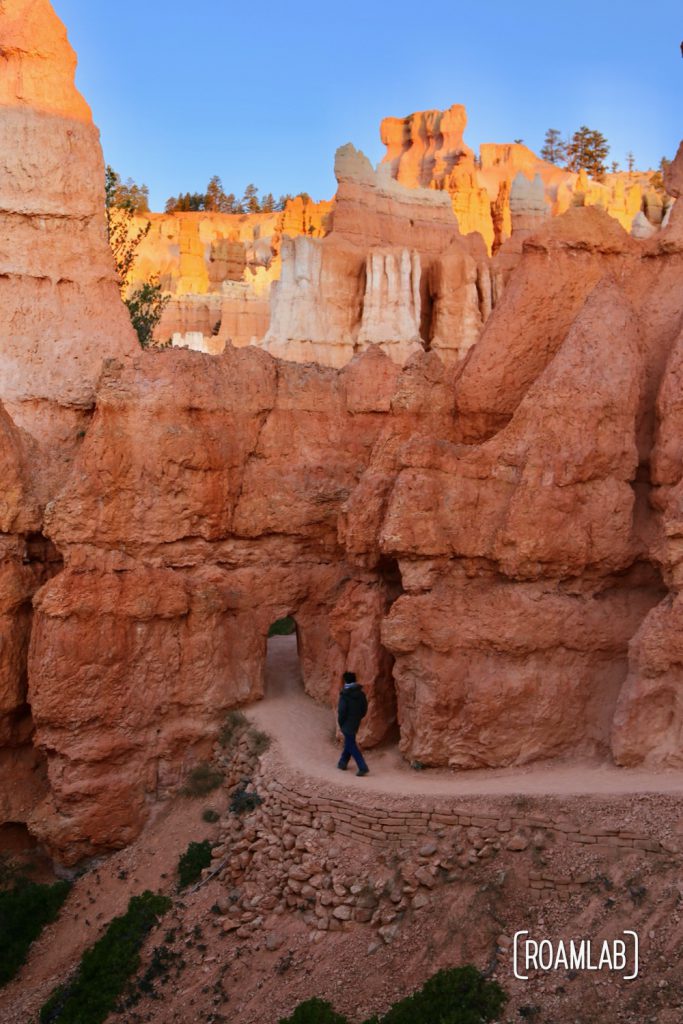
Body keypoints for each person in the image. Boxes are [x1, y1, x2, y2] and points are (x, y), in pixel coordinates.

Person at [337, 671, 369, 777]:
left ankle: (362, 766)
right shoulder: (361, 694)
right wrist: (359, 717)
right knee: (349, 742)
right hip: (356, 721)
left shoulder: (345, 695)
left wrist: (341, 723)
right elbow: (364, 708)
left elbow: (341, 711)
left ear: (345, 680)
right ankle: (342, 763)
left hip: (347, 722)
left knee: (351, 745)